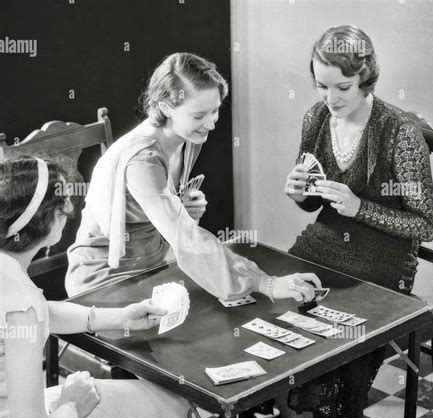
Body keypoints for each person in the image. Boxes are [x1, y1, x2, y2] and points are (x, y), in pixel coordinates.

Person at [278, 25, 433, 418]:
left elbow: (425, 225)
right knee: (277, 307)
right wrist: (300, 194)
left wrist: (359, 207)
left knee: (331, 333)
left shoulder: (400, 132)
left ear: (367, 78)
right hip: (323, 244)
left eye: (342, 87)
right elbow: (314, 198)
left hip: (385, 262)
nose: (330, 98)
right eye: (322, 85)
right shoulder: (315, 118)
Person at [0, 156, 204, 418]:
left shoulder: (9, 278)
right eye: (66, 209)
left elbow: (44, 312)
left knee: (161, 404)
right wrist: (72, 406)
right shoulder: (21, 302)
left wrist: (120, 317)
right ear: (50, 218)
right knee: (168, 404)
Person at [65, 52, 319, 304]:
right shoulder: (143, 160)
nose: (210, 124)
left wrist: (180, 208)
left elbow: (164, 217)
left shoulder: (188, 137)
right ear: (165, 108)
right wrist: (265, 282)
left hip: (156, 263)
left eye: (215, 111)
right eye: (199, 115)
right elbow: (183, 236)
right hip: (108, 281)